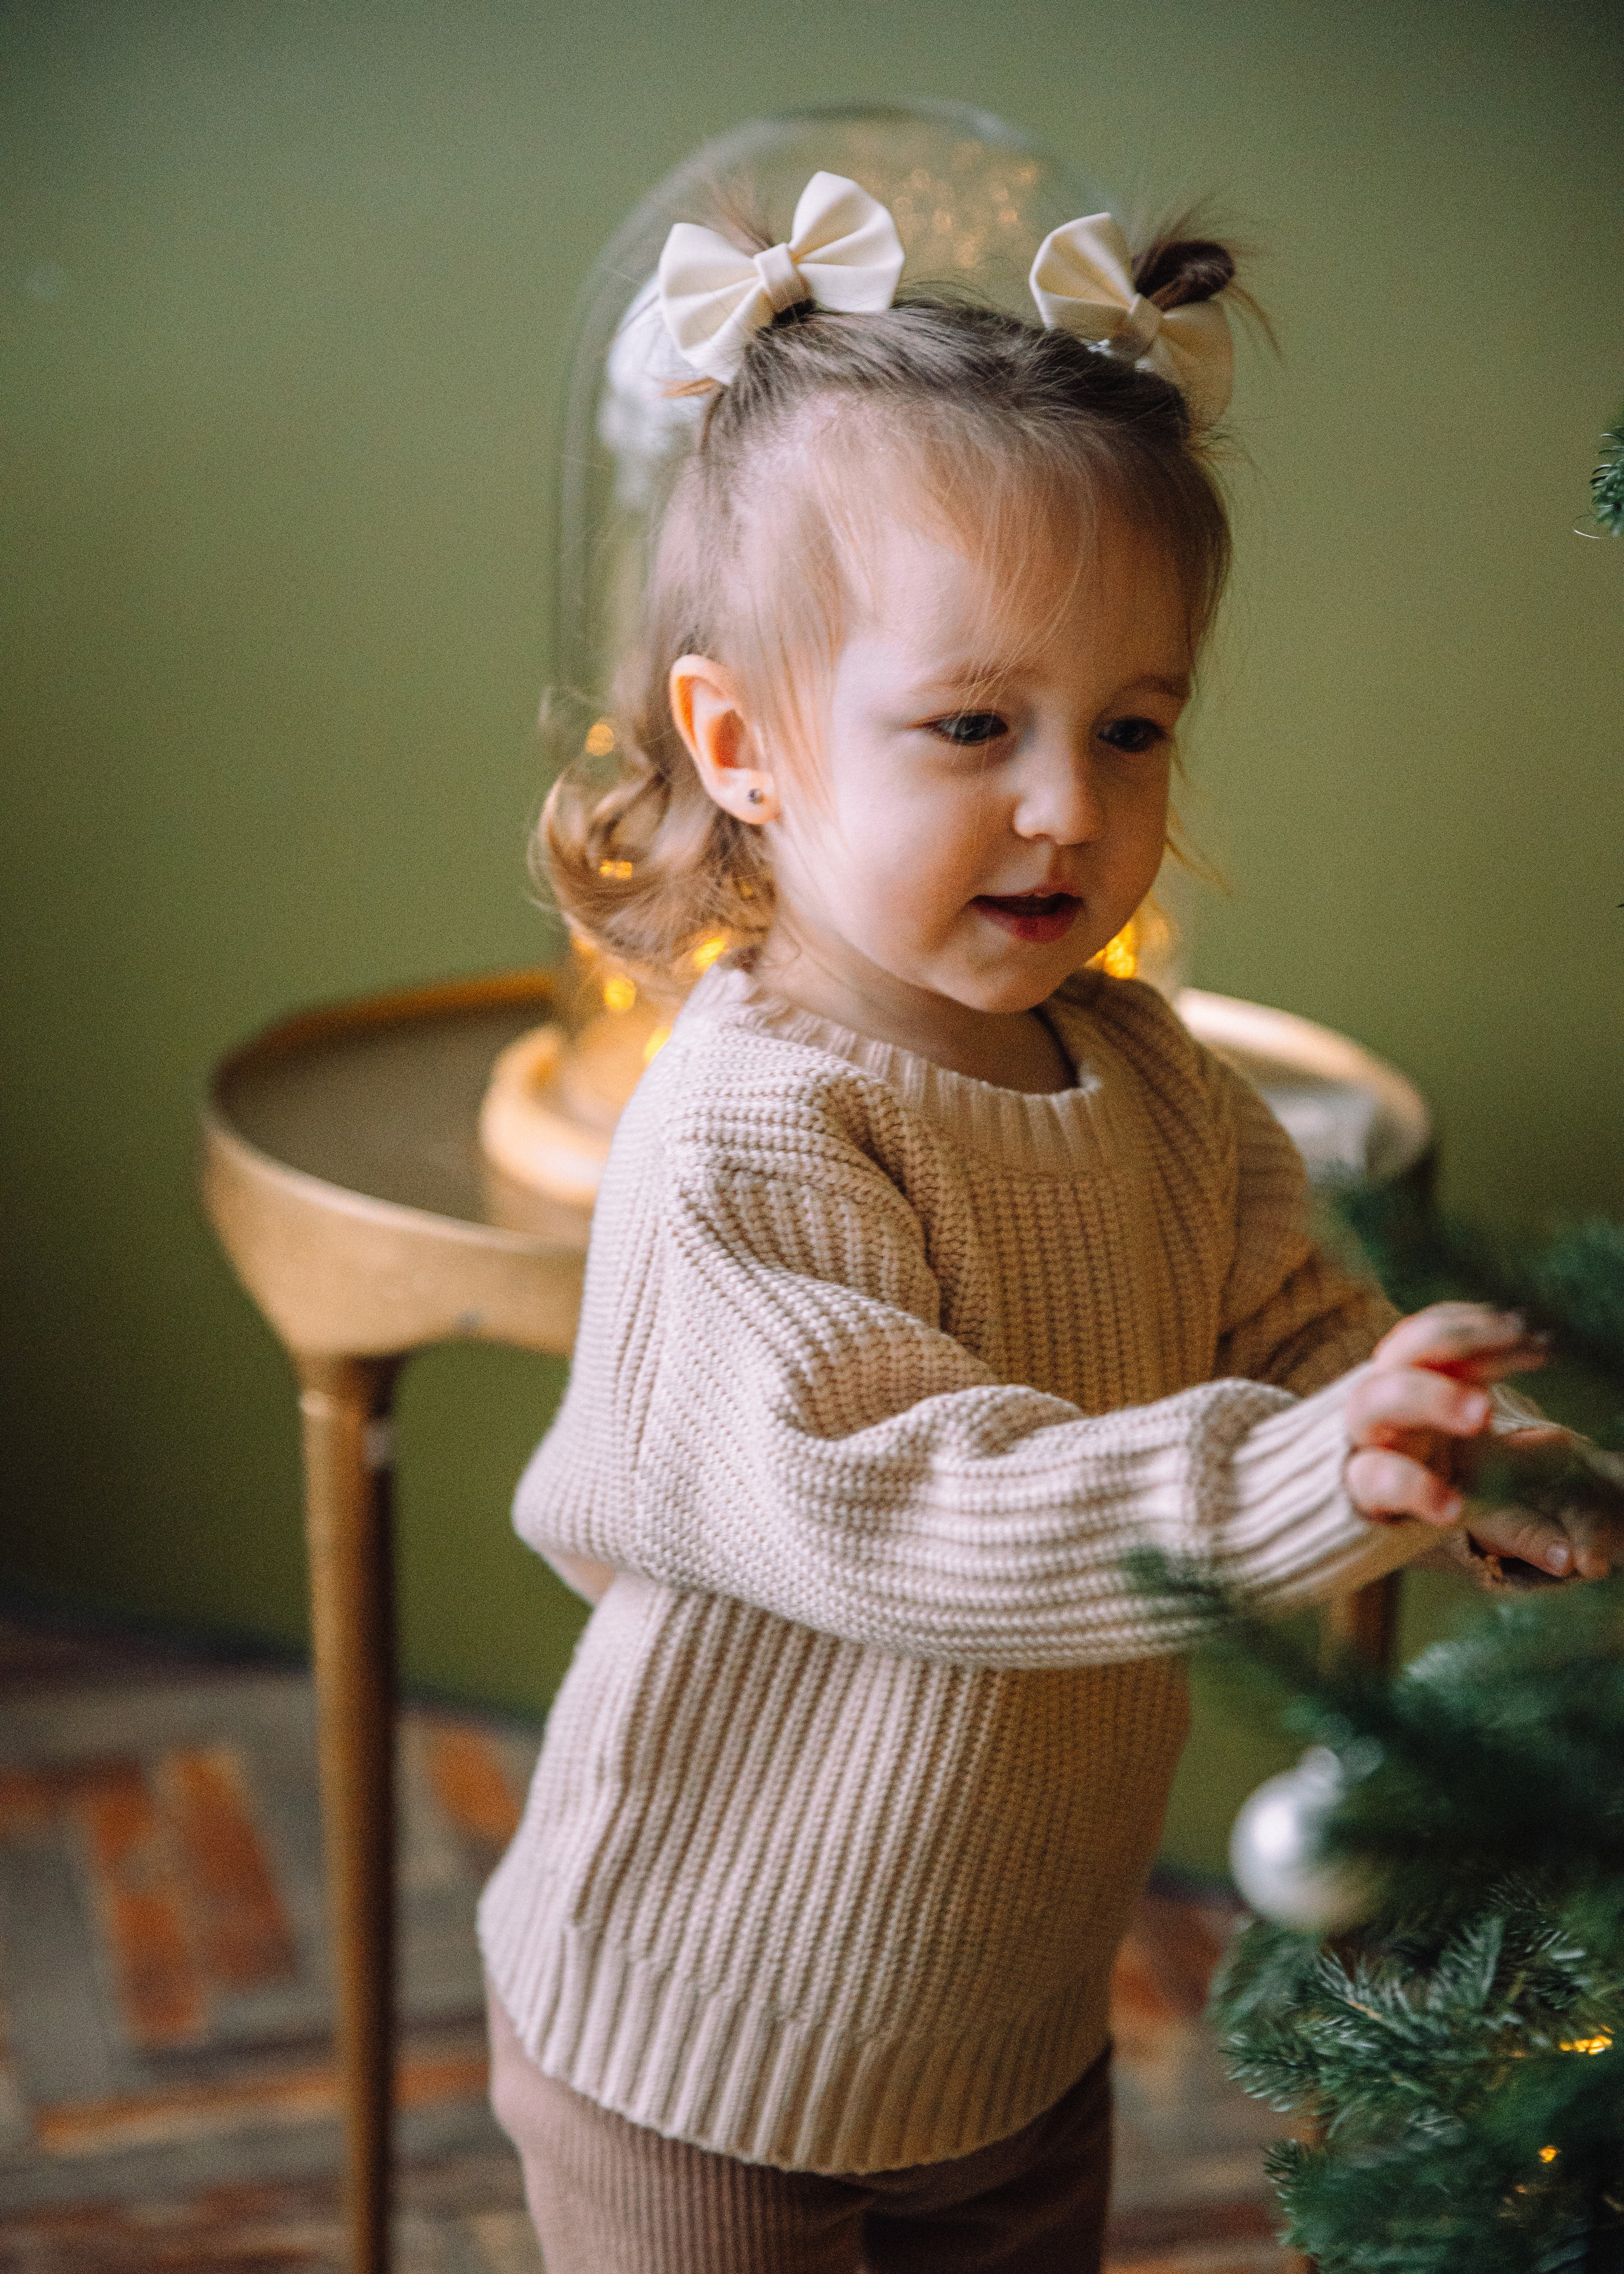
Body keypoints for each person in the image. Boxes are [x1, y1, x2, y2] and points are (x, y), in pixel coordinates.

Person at [477, 173, 1608, 2273]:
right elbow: (902, 1501)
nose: (1070, 806)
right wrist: (1296, 1480)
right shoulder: (746, 1132)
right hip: (702, 2059)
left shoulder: (1158, 1077)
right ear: (748, 749)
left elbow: (1282, 1329)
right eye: (974, 727)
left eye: (1136, 727)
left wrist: (1434, 1439)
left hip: (1003, 2029)